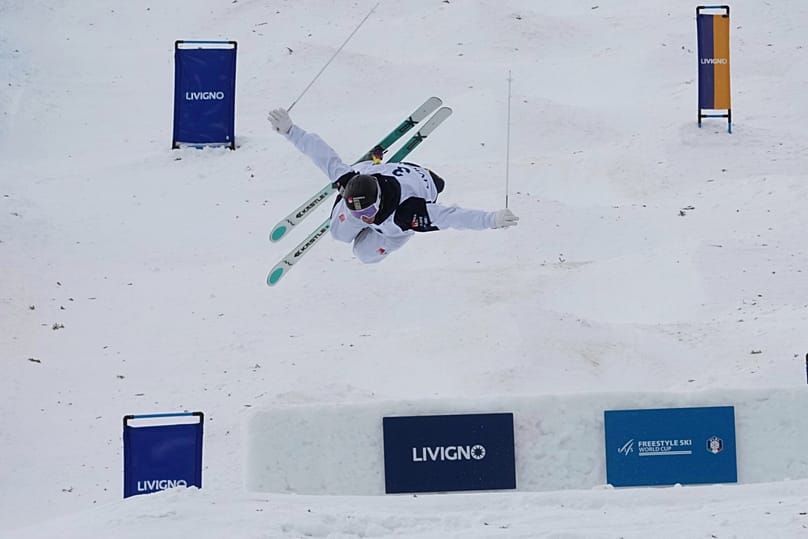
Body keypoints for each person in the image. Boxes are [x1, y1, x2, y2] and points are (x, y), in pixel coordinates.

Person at [267, 108, 519, 263]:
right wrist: (290, 130)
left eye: (366, 213)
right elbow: (323, 155)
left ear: (376, 202)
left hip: (415, 195)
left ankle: (373, 184)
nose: (364, 218)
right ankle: (373, 168)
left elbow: (454, 217)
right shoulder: (350, 180)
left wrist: (492, 219)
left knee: (363, 255)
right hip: (377, 174)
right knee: (338, 234)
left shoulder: (410, 213)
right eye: (358, 213)